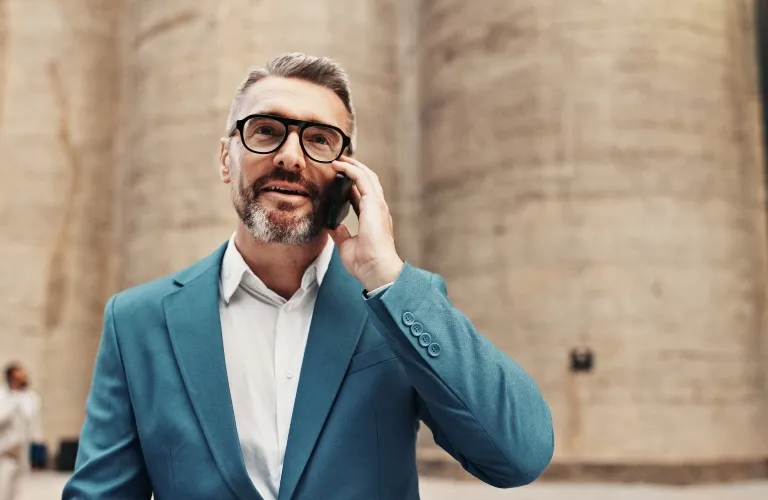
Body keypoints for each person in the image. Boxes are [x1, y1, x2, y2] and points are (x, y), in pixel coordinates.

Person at [63, 52, 554, 500]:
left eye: (319, 139)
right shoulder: (137, 321)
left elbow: (518, 455)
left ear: (347, 171)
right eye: (265, 130)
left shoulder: (399, 305)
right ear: (225, 158)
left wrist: (385, 276)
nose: (291, 157)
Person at [0, 363, 43, 500]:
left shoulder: (31, 398)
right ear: (11, 377)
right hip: (5, 451)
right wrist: (13, 406)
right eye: (20, 375)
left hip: (23, 452)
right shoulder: (2, 396)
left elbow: (34, 424)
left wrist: (37, 451)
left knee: (19, 491)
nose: (24, 377)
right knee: (3, 489)